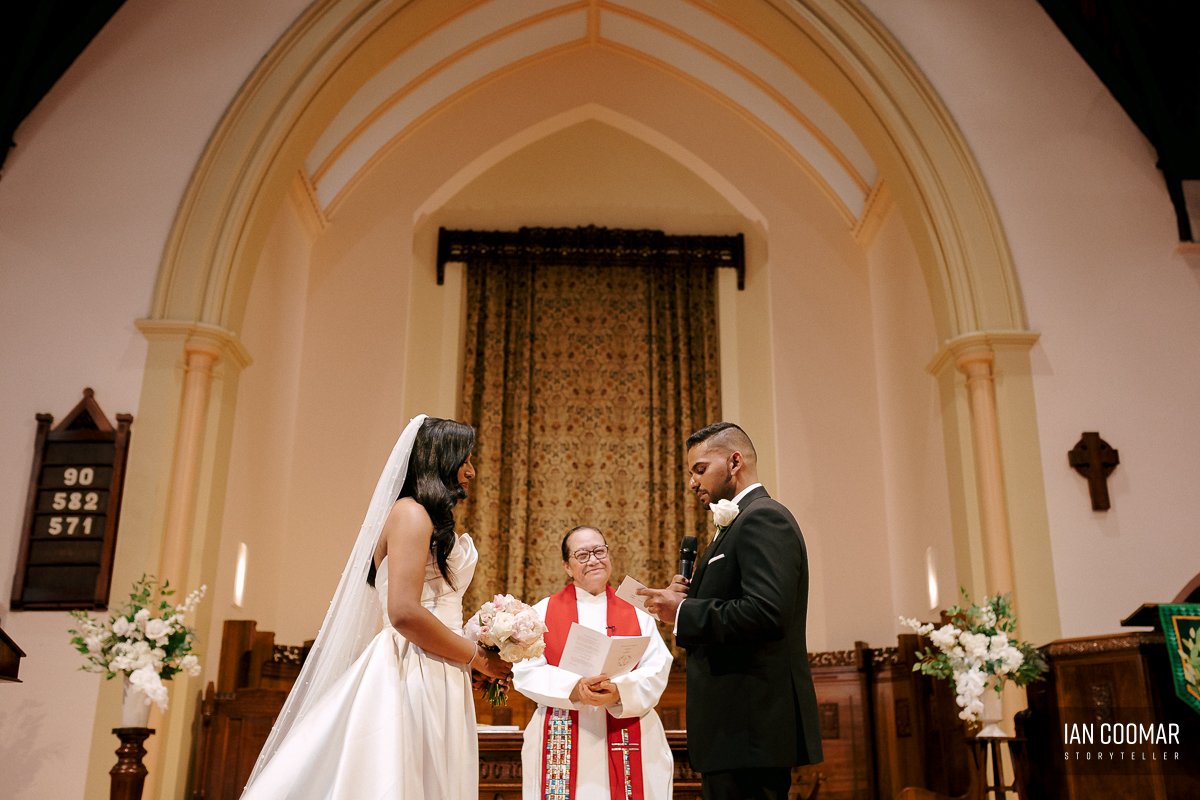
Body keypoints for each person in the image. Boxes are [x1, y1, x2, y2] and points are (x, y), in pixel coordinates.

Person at [241, 415, 510, 799]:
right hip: (410, 669)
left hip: (435, 666)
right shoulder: (411, 514)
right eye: (464, 459)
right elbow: (403, 612)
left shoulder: (421, 516)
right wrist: (476, 657)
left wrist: (467, 656)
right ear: (439, 460)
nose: (471, 470)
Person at [638, 422, 822, 800]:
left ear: (735, 461)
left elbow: (766, 611)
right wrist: (684, 604)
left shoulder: (764, 517)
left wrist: (686, 612)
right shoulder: (735, 524)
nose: (692, 482)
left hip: (751, 728)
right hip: (735, 732)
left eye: (700, 469)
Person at [512, 525, 674, 800]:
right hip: (564, 729)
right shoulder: (541, 612)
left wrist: (619, 690)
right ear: (567, 566)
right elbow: (525, 670)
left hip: (627, 725)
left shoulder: (638, 611)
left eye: (599, 551)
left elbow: (657, 667)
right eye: (583, 555)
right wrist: (575, 688)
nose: (594, 560)